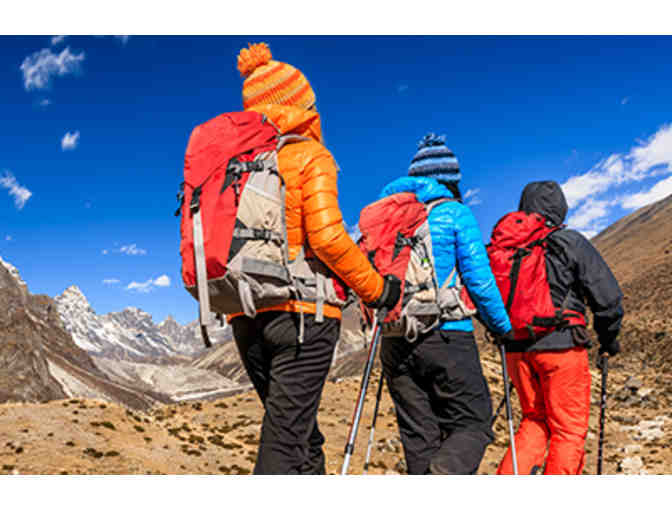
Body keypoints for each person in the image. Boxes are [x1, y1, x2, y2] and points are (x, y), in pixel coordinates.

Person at [228, 42, 401, 475]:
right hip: (303, 316)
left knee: (300, 436)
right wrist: (377, 289)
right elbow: (327, 238)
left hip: (245, 315)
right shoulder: (309, 155)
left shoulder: (234, 165)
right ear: (298, 105)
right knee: (285, 445)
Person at [378, 133, 513, 475]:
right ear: (451, 180)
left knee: (419, 438)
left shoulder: (385, 218)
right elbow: (480, 281)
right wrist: (502, 327)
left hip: (395, 338)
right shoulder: (454, 213)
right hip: (446, 335)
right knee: (474, 424)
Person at [496, 181, 624, 475]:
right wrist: (609, 341)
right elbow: (608, 299)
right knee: (568, 430)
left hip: (516, 350)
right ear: (560, 209)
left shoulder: (508, 247)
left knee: (534, 421)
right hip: (562, 347)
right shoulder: (568, 241)